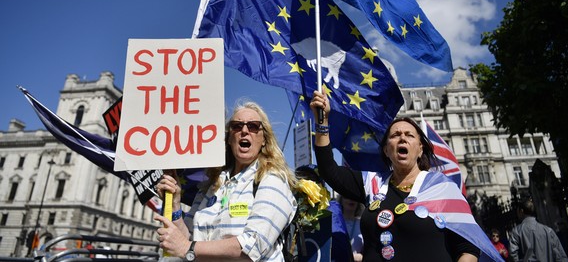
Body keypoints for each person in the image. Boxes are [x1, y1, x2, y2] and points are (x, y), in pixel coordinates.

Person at [309, 90, 486, 262]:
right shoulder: (372, 184)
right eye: (395, 135)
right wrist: (322, 120)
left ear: (420, 149)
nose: (402, 137)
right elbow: (329, 170)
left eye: (409, 135)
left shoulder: (443, 188)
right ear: (386, 150)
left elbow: (469, 249)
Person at [154, 100, 298, 261]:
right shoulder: (212, 185)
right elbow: (187, 237)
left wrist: (188, 248)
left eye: (253, 126)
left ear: (264, 139)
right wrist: (175, 205)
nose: (244, 130)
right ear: (229, 138)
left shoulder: (273, 179)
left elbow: (254, 245)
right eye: (237, 126)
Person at [508, 197, 568, 262]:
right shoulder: (548, 230)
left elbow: (512, 253)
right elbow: (560, 255)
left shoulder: (517, 231)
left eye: (517, 211)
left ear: (521, 211)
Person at [338, 195, 364, 262]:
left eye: (354, 198)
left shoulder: (363, 224)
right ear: (341, 200)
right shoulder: (334, 223)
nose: (351, 200)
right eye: (347, 196)